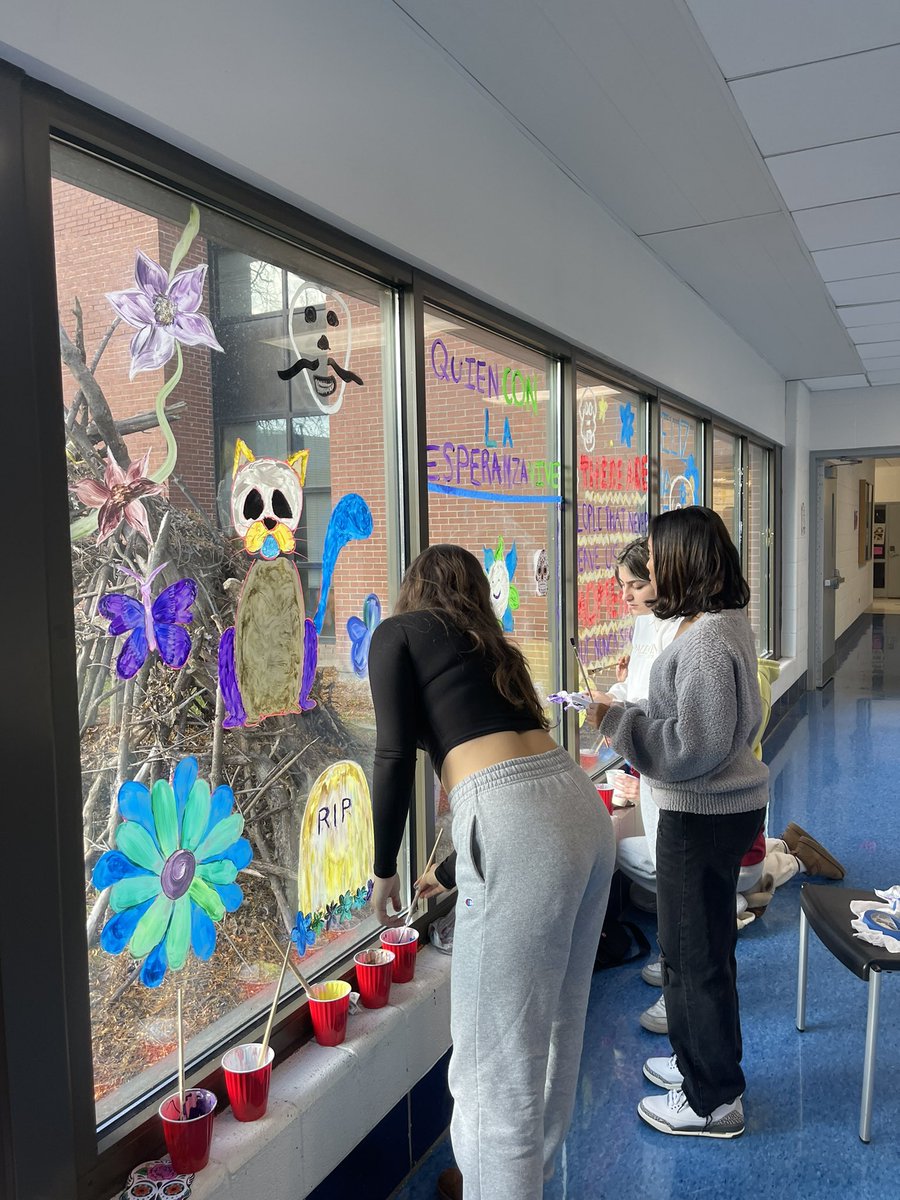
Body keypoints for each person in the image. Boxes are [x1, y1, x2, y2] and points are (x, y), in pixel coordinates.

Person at [368, 544, 615, 1199]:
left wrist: (382, 870)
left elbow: (393, 755)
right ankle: (514, 1179)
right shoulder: (492, 648)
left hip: (517, 828)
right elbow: (519, 774)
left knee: (490, 1070)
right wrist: (452, 868)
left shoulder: (398, 634)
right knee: (561, 1024)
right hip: (578, 808)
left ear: (410, 587)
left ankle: (499, 1181)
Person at [586, 506, 767, 1138]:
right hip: (720, 807)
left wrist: (616, 722)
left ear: (687, 560)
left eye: (658, 558)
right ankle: (701, 1068)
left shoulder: (708, 641)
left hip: (703, 813)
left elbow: (695, 745)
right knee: (703, 948)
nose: (650, 568)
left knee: (693, 958)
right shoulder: (715, 623)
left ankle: (714, 1101)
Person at [602, 537, 681, 1024]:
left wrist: (619, 715)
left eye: (637, 584)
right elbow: (638, 695)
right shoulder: (645, 624)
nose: (628, 597)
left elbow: (665, 718)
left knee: (680, 891)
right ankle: (675, 967)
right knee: (674, 889)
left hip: (668, 777)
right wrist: (610, 696)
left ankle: (680, 993)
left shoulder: (686, 631)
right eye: (624, 587)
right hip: (651, 774)